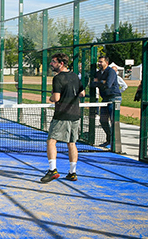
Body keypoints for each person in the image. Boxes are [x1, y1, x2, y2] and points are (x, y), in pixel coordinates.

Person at [41, 53, 85, 183]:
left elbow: (56, 98)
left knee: (51, 141)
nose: (51, 64)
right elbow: (82, 93)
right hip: (75, 115)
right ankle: (72, 173)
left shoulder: (58, 78)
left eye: (54, 62)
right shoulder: (75, 76)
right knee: (71, 143)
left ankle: (52, 170)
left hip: (62, 115)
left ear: (61, 63)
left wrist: (50, 97)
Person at [92, 56, 122, 148]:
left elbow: (108, 84)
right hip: (105, 98)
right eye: (99, 62)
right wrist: (102, 82)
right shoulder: (98, 73)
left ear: (106, 63)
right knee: (103, 120)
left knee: (113, 120)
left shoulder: (111, 72)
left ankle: (114, 142)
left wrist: (99, 82)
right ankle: (109, 139)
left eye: (101, 62)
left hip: (114, 98)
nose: (99, 63)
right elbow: (93, 84)